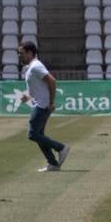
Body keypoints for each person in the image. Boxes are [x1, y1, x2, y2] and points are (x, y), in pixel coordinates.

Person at [16, 40, 70, 173]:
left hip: (42, 105)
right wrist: (28, 97)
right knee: (39, 134)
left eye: (21, 53)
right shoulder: (31, 67)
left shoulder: (35, 66)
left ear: (30, 53)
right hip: (39, 103)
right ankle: (53, 164)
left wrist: (51, 102)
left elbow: (51, 81)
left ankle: (61, 148)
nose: (19, 56)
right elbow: (39, 86)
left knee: (32, 134)